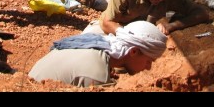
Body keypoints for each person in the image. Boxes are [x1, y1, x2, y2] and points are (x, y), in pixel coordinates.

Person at [28, 21, 167, 87]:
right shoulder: (96, 76)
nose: (148, 67)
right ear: (134, 52)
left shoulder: (99, 40)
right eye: (149, 61)